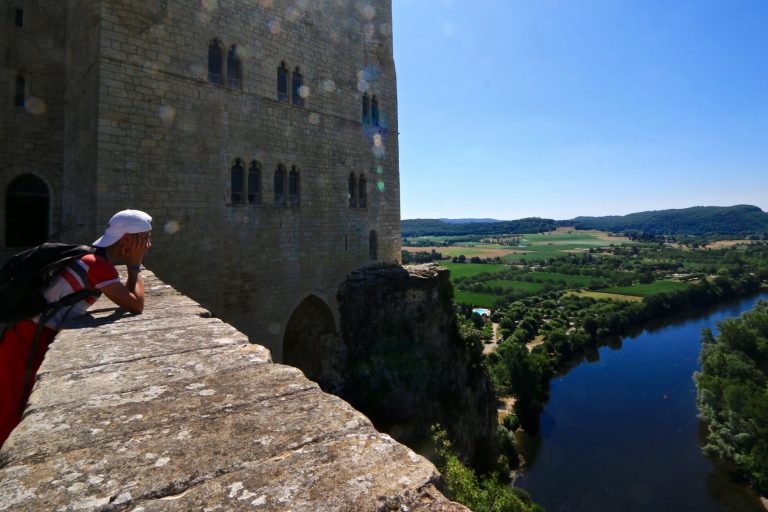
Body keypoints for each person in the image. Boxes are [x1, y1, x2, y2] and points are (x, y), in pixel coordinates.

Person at [0, 209, 152, 447]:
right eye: (144, 238)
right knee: (12, 406)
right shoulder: (97, 266)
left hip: (27, 335)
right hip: (28, 342)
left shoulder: (91, 258)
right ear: (127, 240)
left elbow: (128, 298)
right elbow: (135, 304)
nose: (148, 244)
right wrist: (136, 265)